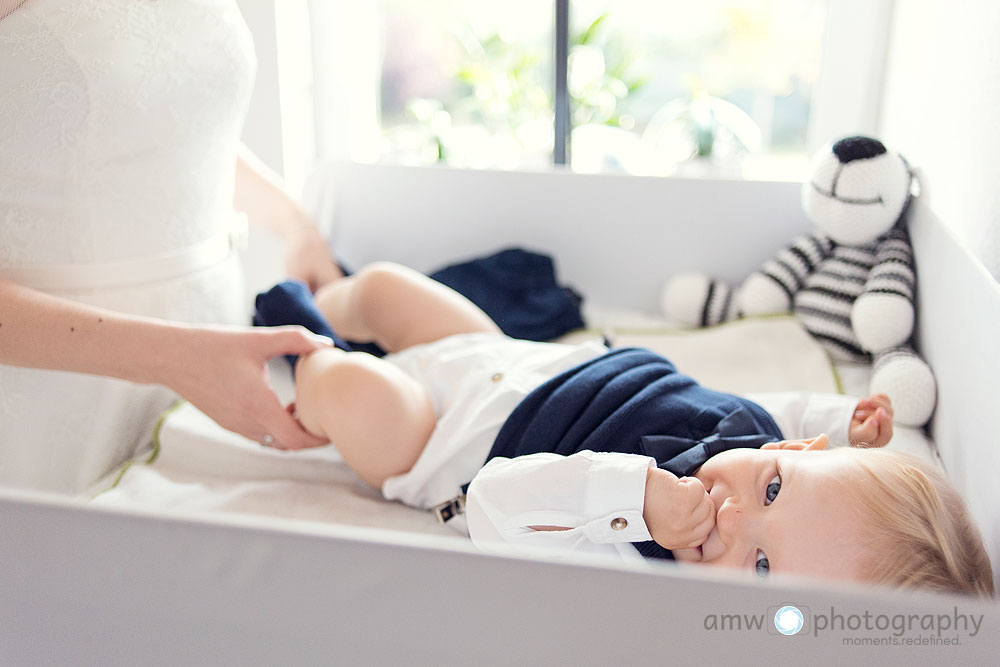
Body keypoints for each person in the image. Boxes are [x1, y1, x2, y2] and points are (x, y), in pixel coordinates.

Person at [281, 262, 993, 598]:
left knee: (354, 392)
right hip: (511, 358)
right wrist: (842, 419)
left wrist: (631, 495)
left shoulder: (637, 567)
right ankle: (325, 291)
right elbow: (787, 413)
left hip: (441, 436)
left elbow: (495, 502)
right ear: (794, 452)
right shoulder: (757, 435)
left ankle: (295, 360)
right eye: (775, 488)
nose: (733, 513)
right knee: (381, 288)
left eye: (762, 565)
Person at [0, 0, 341, 494]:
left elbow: (162, 118)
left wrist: (295, 224)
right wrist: (175, 359)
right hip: (54, 389)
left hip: (213, 347)